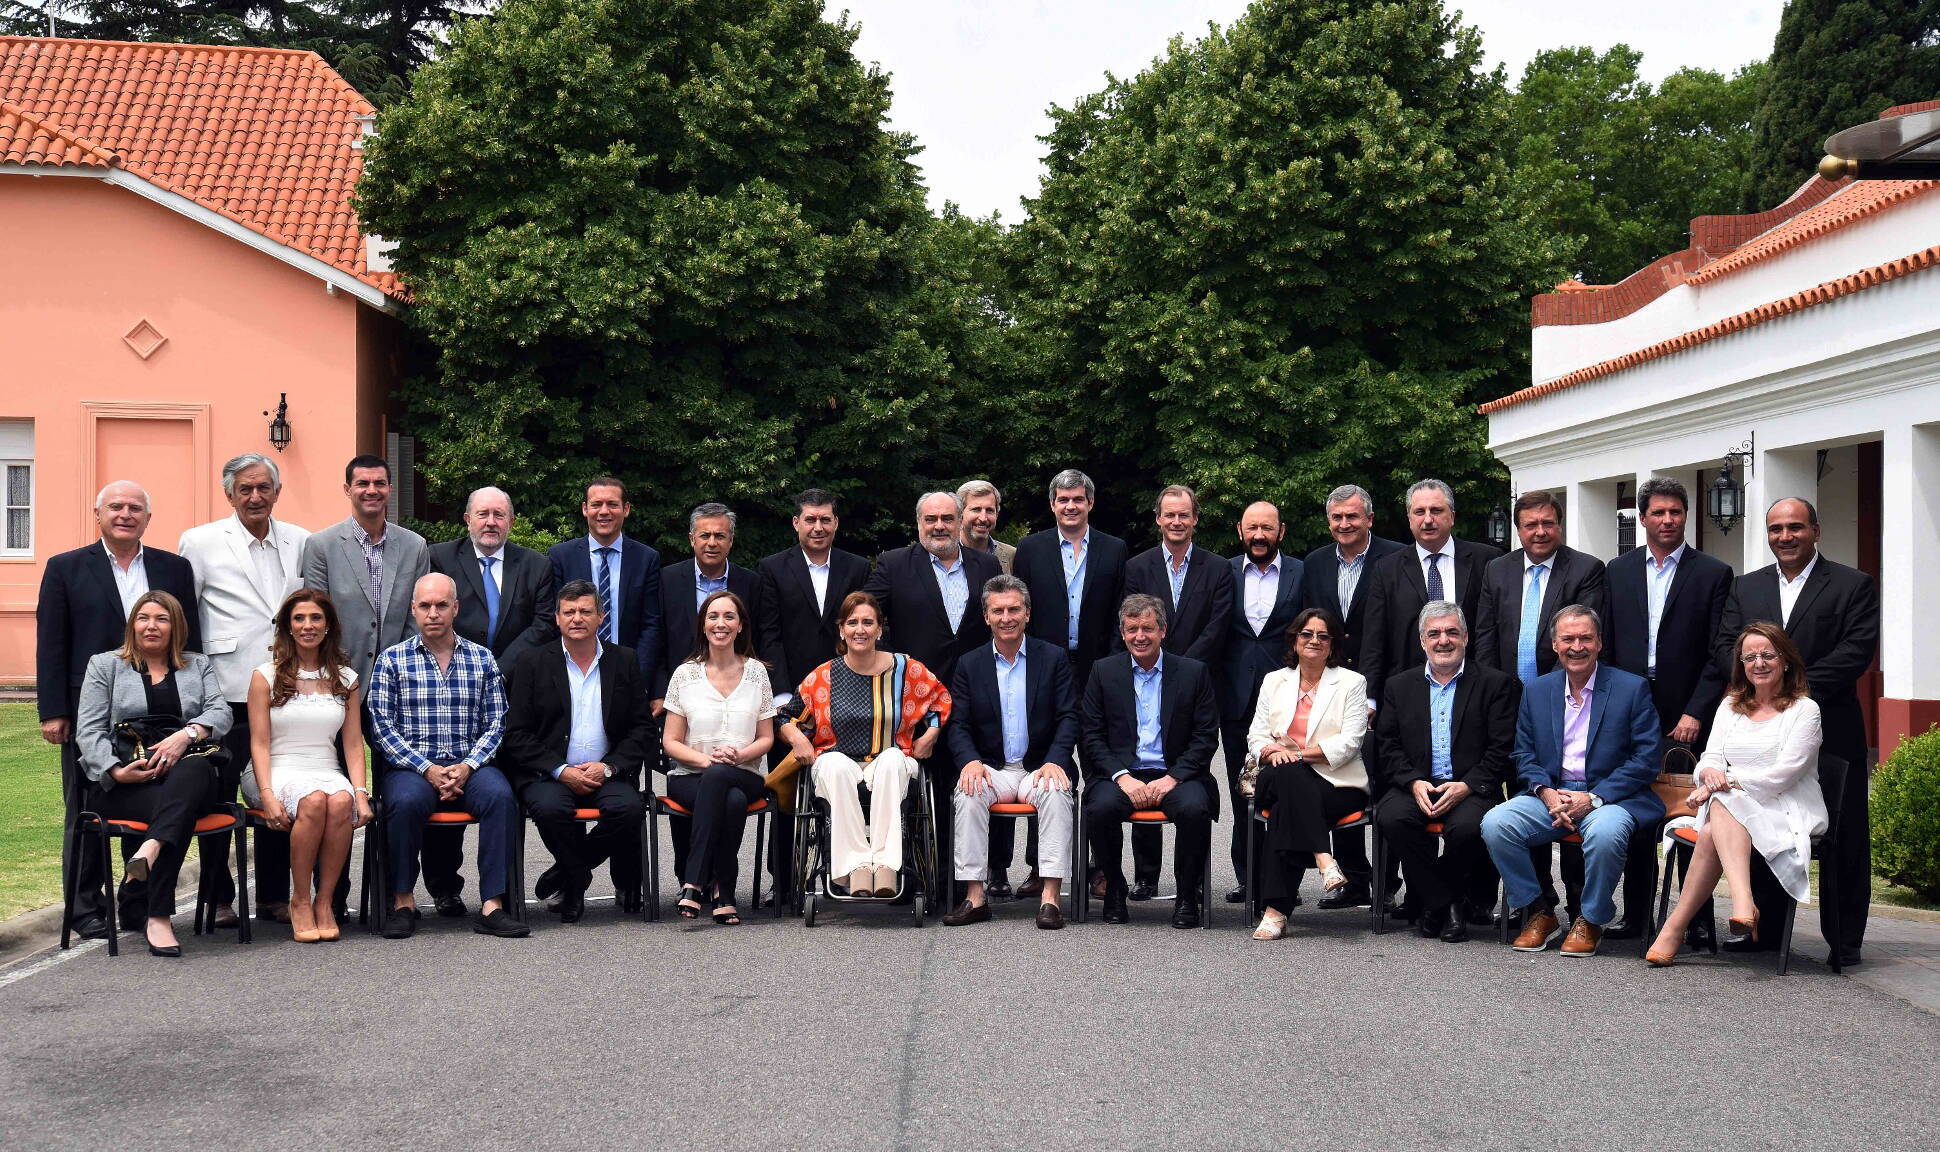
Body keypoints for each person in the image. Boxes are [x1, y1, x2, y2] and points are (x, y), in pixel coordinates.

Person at [1701, 497, 1878, 966]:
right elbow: (1725, 645)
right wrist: (1757, 688)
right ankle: (1763, 930)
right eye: (1776, 528)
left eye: (1795, 527)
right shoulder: (1746, 587)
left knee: (1846, 840)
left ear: (1815, 531)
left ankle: (1845, 940)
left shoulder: (1851, 584)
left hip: (1832, 727)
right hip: (1760, 731)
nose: (1785, 536)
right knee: (1760, 819)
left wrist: (1792, 694)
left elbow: (1856, 651)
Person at [38, 481, 200, 940]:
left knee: (147, 796)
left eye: (135, 508)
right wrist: (53, 710)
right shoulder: (66, 568)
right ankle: (86, 907)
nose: (125, 514)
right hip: (87, 708)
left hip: (158, 707)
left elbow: (191, 639)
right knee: (86, 805)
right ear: (98, 514)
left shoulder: (173, 568)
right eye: (116, 507)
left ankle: (135, 904)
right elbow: (51, 641)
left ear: (148, 518)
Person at [1481, 605, 1663, 957]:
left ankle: (1591, 918)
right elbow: (1522, 753)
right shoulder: (1537, 690)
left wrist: (1593, 798)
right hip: (1550, 793)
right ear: (1554, 645)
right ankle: (1538, 911)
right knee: (1496, 823)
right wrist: (1547, 793)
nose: (1576, 646)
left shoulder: (1631, 688)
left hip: (1611, 797)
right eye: (1568, 639)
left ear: (1599, 643)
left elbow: (1645, 759)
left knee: (1606, 833)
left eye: (1585, 638)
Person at [177, 453, 311, 928]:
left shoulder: (302, 541)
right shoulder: (200, 542)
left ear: (277, 491)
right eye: (245, 489)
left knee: (278, 792)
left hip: (286, 690)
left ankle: (275, 895)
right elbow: (186, 618)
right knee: (217, 794)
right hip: (226, 689)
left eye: (263, 488)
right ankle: (219, 896)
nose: (255, 496)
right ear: (229, 494)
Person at [1359, 478, 1502, 918]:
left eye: (1436, 511)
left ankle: (1469, 898)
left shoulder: (1487, 561)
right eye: (1419, 512)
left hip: (1474, 696)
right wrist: (1371, 699)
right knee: (1401, 806)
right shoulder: (1387, 567)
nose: (1428, 519)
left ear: (1452, 516)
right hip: (1410, 700)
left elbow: (1490, 631)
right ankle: (1439, 899)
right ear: (1408, 518)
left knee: (1474, 816)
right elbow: (1375, 640)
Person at [1647, 623, 1825, 967]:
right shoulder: (1731, 705)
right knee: (1721, 814)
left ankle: (1680, 926)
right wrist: (1709, 773)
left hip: (1787, 807)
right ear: (1741, 665)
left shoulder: (1805, 710)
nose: (1759, 663)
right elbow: (1711, 757)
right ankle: (1741, 904)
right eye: (1750, 657)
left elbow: (1783, 774)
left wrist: (1722, 782)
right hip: (1736, 806)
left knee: (1719, 812)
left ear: (1785, 660)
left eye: (1767, 655)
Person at [1602, 476, 1732, 943]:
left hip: (1688, 711)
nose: (1667, 520)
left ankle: (1695, 920)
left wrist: (1698, 709)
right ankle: (1635, 916)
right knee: (1636, 807)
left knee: (1692, 810)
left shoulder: (1713, 573)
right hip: (1629, 706)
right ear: (1642, 519)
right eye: (1657, 513)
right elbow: (1609, 646)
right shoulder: (1617, 571)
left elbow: (1721, 650)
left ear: (1685, 516)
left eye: (1675, 512)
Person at [367, 574, 526, 939]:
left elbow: (498, 722)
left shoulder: (482, 659)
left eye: (441, 605)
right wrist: (427, 770)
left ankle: (492, 906)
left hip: (471, 764)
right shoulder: (393, 660)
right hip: (412, 767)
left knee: (501, 798)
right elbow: (381, 727)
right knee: (405, 803)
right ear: (413, 610)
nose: (433, 613)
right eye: (425, 606)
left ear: (456, 608)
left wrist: (468, 766)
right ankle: (403, 902)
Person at [73, 591, 231, 956]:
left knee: (193, 771)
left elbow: (220, 714)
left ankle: (154, 899)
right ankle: (147, 889)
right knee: (175, 808)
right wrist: (116, 770)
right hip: (129, 783)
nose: (151, 626)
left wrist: (186, 735)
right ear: (133, 625)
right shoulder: (105, 665)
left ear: (176, 626)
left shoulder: (198, 664)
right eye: (144, 618)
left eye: (162, 619)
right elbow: (90, 731)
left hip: (189, 775)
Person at [426, 485, 558, 909]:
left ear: (511, 522)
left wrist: (494, 666)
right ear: (467, 519)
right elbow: (434, 616)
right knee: (446, 792)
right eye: (482, 514)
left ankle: (501, 892)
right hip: (450, 697)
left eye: (499, 515)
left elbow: (542, 624)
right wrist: (469, 665)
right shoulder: (440, 558)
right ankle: (445, 887)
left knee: (501, 794)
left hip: (514, 693)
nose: (490, 522)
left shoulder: (535, 564)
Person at [863, 492, 999, 904]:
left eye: (946, 518)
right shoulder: (894, 564)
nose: (938, 526)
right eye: (930, 519)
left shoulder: (986, 565)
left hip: (974, 693)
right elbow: (868, 615)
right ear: (918, 522)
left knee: (969, 783)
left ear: (960, 521)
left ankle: (964, 879)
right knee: (915, 786)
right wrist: (891, 668)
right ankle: (913, 876)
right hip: (912, 696)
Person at [779, 592, 951, 898]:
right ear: (842, 629)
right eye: (853, 622)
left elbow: (941, 700)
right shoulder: (824, 676)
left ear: (879, 629)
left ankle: (885, 866)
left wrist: (930, 734)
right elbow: (787, 716)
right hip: (840, 759)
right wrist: (795, 738)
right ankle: (857, 866)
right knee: (832, 766)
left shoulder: (905, 669)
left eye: (868, 622)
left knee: (892, 761)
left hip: (892, 757)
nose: (860, 629)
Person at [501, 581, 653, 923]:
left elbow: (642, 729)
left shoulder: (624, 660)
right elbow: (517, 733)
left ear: (601, 616)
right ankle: (577, 877)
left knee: (628, 809)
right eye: (568, 612)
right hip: (549, 774)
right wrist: (560, 770)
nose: (577, 618)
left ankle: (570, 872)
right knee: (551, 808)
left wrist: (609, 767)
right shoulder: (532, 662)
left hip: (607, 771)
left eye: (586, 611)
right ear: (556, 618)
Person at [1372, 602, 1520, 943]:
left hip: (1471, 786)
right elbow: (1387, 745)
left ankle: (1429, 903)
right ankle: (1447, 903)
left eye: (1452, 632)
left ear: (1466, 638)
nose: (1444, 640)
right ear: (1422, 641)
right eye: (1434, 633)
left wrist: (1467, 785)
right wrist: (1412, 782)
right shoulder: (1399, 686)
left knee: (1469, 827)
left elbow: (1503, 748)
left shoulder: (1496, 684)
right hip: (1416, 783)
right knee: (1393, 818)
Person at [942, 575, 1079, 929]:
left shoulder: (1053, 658)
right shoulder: (970, 664)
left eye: (1014, 609)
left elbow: (1069, 716)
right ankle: (975, 896)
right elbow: (958, 723)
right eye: (998, 611)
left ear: (1027, 614)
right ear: (986, 616)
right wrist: (970, 762)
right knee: (967, 791)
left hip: (1039, 766)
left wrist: (1056, 761)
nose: (1007, 617)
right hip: (992, 768)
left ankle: (1050, 898)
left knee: (1056, 790)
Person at [755, 488, 870, 900]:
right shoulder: (772, 569)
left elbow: (862, 628)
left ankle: (844, 872)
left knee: (846, 783)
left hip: (848, 695)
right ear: (796, 523)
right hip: (791, 700)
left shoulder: (857, 567)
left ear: (836, 523)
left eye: (826, 519)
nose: (818, 527)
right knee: (786, 788)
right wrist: (784, 698)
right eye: (810, 519)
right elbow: (768, 633)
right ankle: (783, 881)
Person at [1082, 594, 1220, 928]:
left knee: (1194, 809)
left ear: (1163, 631)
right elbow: (1091, 734)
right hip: (1121, 774)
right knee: (1099, 808)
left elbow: (1205, 736)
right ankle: (1114, 889)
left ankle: (1187, 895)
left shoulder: (1192, 672)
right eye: (1132, 629)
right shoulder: (1103, 671)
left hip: (1176, 775)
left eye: (1147, 628)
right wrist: (1121, 776)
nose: (1139, 636)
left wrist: (1173, 778)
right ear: (1122, 631)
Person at [1122, 485, 1233, 896]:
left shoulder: (1219, 568)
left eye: (1184, 515)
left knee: (1187, 769)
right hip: (1145, 677)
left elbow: (1218, 625)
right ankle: (1147, 875)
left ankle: (1190, 881)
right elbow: (1135, 621)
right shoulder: (1138, 566)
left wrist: (1181, 667)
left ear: (1195, 519)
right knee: (1145, 765)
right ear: (1158, 519)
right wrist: (1155, 659)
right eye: (1169, 515)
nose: (1176, 522)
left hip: (1195, 685)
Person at [245, 590, 370, 943]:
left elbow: (352, 744)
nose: (308, 626)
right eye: (299, 619)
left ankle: (325, 900)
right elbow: (259, 743)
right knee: (313, 801)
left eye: (315, 618)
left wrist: (360, 794)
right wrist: (267, 795)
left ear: (328, 625)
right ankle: (300, 898)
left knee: (341, 802)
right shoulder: (265, 676)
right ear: (287, 626)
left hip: (325, 767)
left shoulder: (346, 678)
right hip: (275, 768)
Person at [1244, 608, 1370, 940]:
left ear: (1332, 645)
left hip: (1337, 781)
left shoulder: (1352, 683)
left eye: (1322, 635)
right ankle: (1324, 857)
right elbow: (1256, 735)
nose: (1314, 640)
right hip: (1276, 774)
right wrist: (1272, 752)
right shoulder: (1275, 680)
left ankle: (1276, 911)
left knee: (1287, 808)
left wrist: (1296, 753)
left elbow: (1350, 743)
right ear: (1295, 640)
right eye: (1307, 634)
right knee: (1287, 775)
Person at [660, 589, 777, 925]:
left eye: (729, 617)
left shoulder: (757, 673)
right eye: (713, 616)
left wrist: (738, 754)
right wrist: (708, 761)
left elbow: (766, 738)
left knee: (728, 784)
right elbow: (671, 741)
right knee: (732, 800)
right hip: (690, 776)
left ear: (741, 626)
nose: (720, 623)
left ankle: (694, 881)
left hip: (744, 771)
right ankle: (722, 890)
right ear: (703, 625)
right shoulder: (685, 674)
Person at [1217, 500, 1305, 905]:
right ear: (1240, 530)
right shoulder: (1224, 572)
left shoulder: (1302, 573)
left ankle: (1284, 880)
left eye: (1266, 528)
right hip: (1234, 696)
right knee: (1243, 789)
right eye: (1252, 527)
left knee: (1289, 787)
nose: (1258, 535)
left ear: (1280, 531)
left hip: (1288, 697)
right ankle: (1247, 876)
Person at [299, 455, 430, 685]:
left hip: (401, 677)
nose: (372, 490)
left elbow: (417, 615)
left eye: (379, 483)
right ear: (348, 490)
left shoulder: (414, 546)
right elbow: (317, 614)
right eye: (363, 483)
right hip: (339, 677)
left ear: (390, 489)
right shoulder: (320, 545)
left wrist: (402, 664)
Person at [1012, 468, 1129, 702]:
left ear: (1091, 503)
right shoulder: (1029, 549)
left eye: (1078, 499)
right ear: (1052, 504)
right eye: (1063, 499)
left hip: (1099, 665)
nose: (1070, 506)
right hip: (1043, 664)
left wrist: (1114, 658)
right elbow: (1021, 607)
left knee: (1094, 736)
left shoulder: (1114, 549)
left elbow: (1121, 608)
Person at [1473, 491, 1606, 682]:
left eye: (1548, 523)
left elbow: (1584, 637)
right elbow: (1486, 636)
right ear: (1518, 531)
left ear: (1559, 527)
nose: (1541, 532)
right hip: (1505, 691)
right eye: (1531, 525)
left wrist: (1543, 692)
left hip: (1563, 688)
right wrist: (1492, 685)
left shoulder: (1586, 570)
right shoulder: (1496, 570)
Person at [547, 477, 663, 688]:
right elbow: (554, 620)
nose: (604, 511)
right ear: (585, 509)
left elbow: (651, 625)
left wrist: (639, 679)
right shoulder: (560, 557)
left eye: (612, 504)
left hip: (627, 675)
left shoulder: (646, 559)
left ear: (626, 509)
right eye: (596, 504)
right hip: (573, 674)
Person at [1299, 484, 1406, 674]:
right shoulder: (1314, 563)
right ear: (1328, 521)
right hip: (1329, 676)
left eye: (1352, 516)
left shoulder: (1399, 558)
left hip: (1385, 677)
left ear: (1369, 519)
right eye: (1337, 517)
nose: (1344, 524)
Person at [957, 479, 1015, 573]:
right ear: (960, 513)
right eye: (976, 509)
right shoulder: (944, 553)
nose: (983, 518)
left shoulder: (1011, 556)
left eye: (989, 510)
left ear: (997, 515)